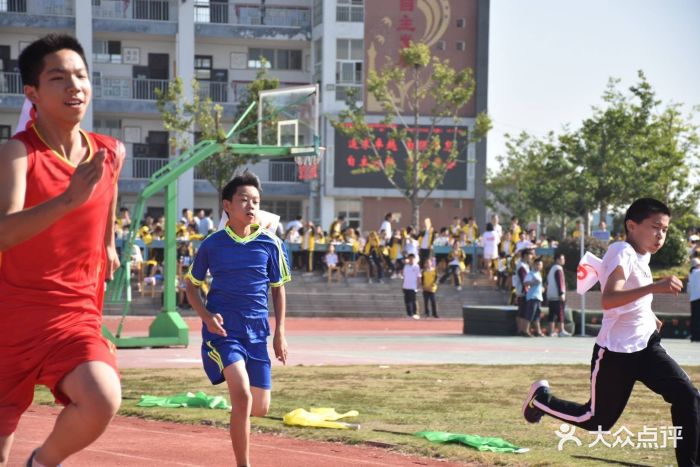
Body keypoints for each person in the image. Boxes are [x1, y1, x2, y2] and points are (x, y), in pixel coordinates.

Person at [0, 34, 123, 466]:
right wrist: (68, 201)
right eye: (59, 78)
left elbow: (107, 194)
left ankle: (42, 462)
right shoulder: (17, 153)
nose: (75, 86)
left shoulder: (110, 152)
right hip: (10, 320)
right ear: (31, 92)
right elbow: (3, 232)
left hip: (74, 314)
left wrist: (108, 242)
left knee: (102, 396)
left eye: (81, 75)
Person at [523, 198, 699, 467]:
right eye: (655, 227)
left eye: (665, 229)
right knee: (596, 421)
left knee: (688, 396)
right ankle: (542, 399)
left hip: (647, 347)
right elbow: (609, 298)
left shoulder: (643, 255)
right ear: (632, 225)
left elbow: (630, 294)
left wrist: (649, 314)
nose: (660, 235)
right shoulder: (621, 251)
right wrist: (654, 288)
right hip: (617, 353)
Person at [185, 172, 290, 467]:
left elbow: (278, 289)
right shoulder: (212, 244)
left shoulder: (271, 244)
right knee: (242, 396)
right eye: (243, 200)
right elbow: (191, 286)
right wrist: (206, 317)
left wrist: (280, 332)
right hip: (224, 330)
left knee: (260, 408)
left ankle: (239, 421)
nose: (250, 205)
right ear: (227, 206)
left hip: (258, 332)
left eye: (255, 201)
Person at [546, 253, 571, 337]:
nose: (564, 260)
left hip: (551, 295)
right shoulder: (558, 269)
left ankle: (551, 331)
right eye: (562, 259)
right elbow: (559, 282)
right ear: (557, 260)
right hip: (557, 295)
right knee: (560, 313)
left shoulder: (552, 269)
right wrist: (561, 293)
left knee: (552, 314)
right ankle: (561, 330)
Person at [513, 249, 534, 336]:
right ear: (525, 255)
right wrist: (528, 290)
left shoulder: (525, 265)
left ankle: (521, 330)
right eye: (530, 255)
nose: (531, 257)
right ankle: (522, 330)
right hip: (523, 292)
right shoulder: (521, 266)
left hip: (524, 291)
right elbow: (524, 280)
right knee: (523, 311)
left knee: (522, 311)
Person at [524, 257, 545, 337]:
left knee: (537, 315)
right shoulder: (530, 274)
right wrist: (534, 282)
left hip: (538, 297)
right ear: (534, 265)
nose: (538, 266)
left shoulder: (539, 274)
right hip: (532, 297)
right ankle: (526, 331)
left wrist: (542, 288)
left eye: (540, 265)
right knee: (530, 314)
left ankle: (538, 331)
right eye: (537, 264)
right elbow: (525, 283)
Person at [402, 253, 421, 319]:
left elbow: (418, 277)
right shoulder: (406, 266)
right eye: (409, 258)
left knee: (413, 301)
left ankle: (415, 313)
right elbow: (404, 276)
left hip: (413, 287)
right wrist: (403, 285)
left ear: (414, 259)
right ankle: (409, 314)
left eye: (412, 258)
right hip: (406, 286)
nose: (411, 259)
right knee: (407, 301)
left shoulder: (416, 266)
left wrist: (418, 286)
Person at [688, 258, 700, 342]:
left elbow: (689, 288)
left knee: (694, 318)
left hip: (693, 299)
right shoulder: (698, 272)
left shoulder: (690, 274)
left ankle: (694, 336)